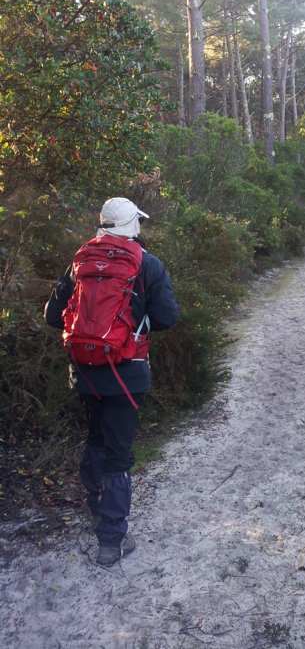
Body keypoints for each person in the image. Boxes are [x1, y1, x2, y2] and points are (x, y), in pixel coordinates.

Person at [44, 197, 179, 567]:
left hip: (85, 373)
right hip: (127, 374)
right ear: (132, 225)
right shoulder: (147, 264)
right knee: (119, 455)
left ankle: (96, 505)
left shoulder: (80, 261)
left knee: (96, 438)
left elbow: (53, 316)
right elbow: (168, 316)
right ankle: (111, 539)